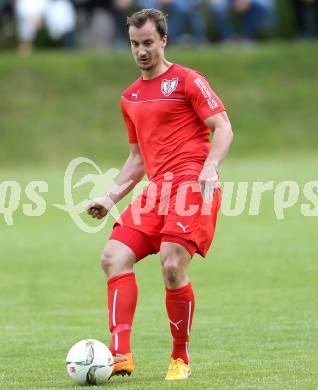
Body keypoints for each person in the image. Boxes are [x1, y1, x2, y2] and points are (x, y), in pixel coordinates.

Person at [86, 8, 233, 381]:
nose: (141, 51)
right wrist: (109, 197)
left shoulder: (188, 80)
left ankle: (179, 357)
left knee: (171, 265)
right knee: (113, 257)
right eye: (135, 44)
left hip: (192, 186)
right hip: (157, 191)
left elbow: (223, 127)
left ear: (164, 40)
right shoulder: (130, 97)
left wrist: (211, 165)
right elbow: (137, 159)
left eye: (148, 43)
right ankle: (119, 356)